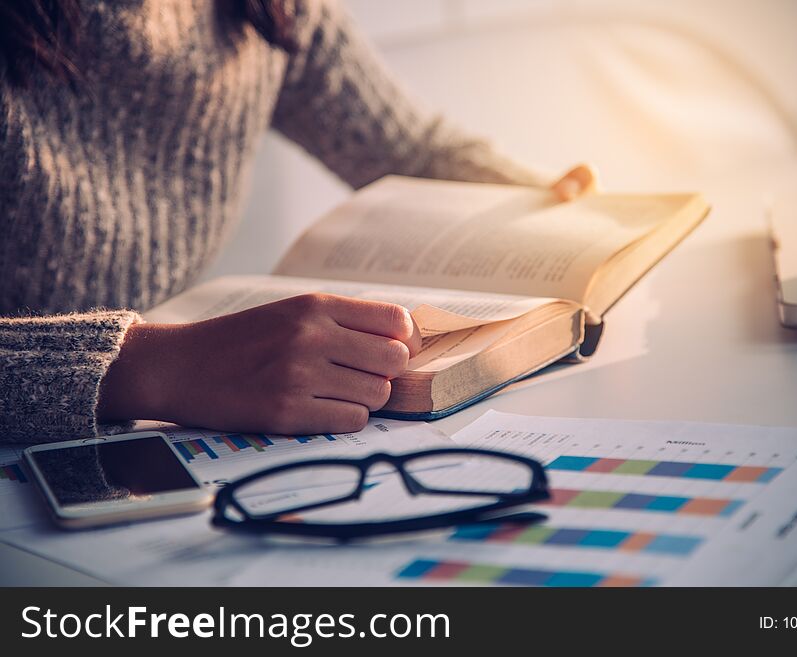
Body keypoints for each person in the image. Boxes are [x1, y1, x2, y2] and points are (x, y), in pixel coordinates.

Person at [0, 0, 594, 444]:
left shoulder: (266, 10)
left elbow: (409, 150)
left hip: (148, 444)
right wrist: (145, 368)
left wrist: (558, 207)